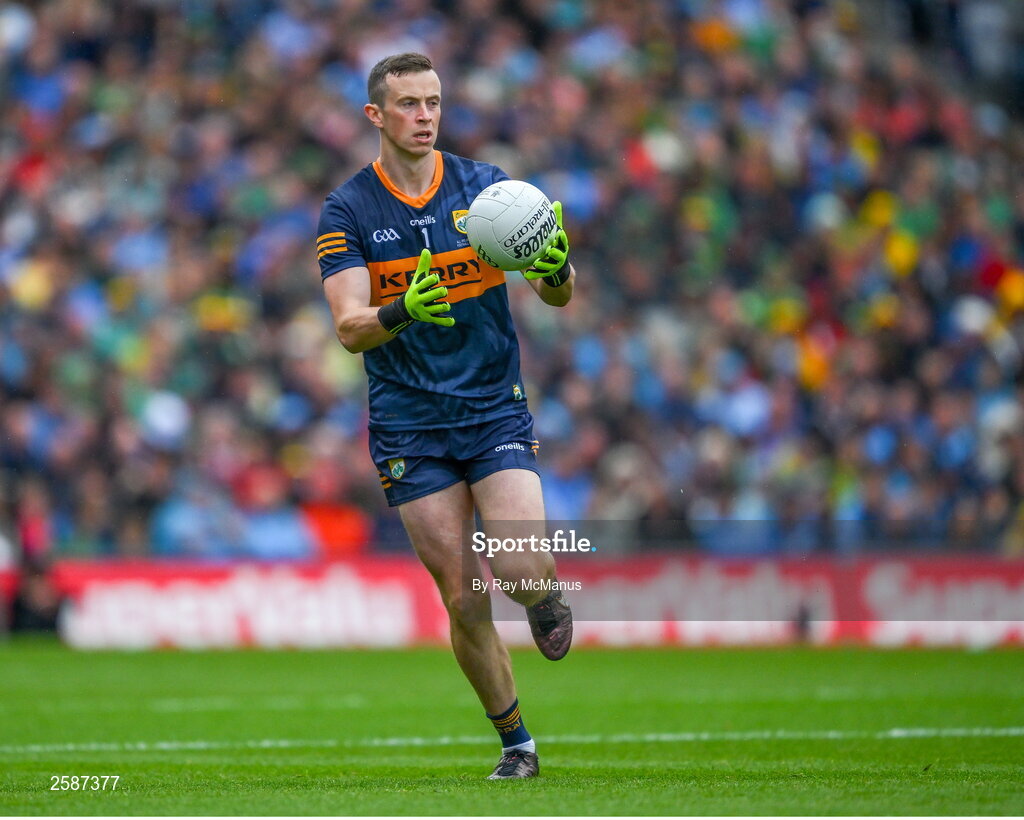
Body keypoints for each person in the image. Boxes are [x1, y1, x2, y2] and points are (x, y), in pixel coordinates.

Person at [317, 53, 576, 780]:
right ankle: (517, 744)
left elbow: (557, 291)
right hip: (409, 424)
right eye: (407, 104)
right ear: (376, 115)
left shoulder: (490, 189)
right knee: (463, 598)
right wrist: (404, 309)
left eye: (432, 101)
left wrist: (556, 266)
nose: (424, 115)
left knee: (521, 570)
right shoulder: (348, 211)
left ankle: (544, 593)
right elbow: (348, 325)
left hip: (492, 404)